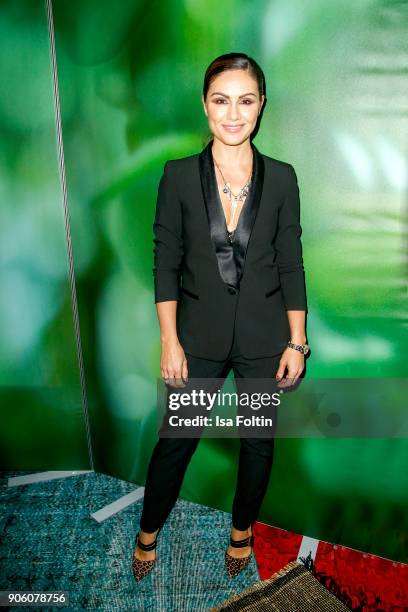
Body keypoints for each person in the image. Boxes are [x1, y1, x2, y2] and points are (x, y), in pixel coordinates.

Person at [132, 52, 309, 582]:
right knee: (176, 442)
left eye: (246, 101)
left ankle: (241, 531)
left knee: (257, 442)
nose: (233, 114)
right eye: (221, 100)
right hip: (198, 338)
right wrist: (170, 340)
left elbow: (291, 260)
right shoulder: (178, 176)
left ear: (260, 108)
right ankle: (147, 531)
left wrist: (296, 341)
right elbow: (165, 260)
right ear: (206, 106)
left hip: (263, 337)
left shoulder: (282, 178)